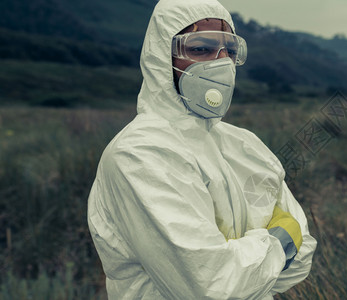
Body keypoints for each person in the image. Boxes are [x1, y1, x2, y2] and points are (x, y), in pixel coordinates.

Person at [87, 0, 317, 298]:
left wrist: (243, 260)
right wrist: (281, 238)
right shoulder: (138, 154)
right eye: (200, 49)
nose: (220, 63)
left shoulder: (244, 145)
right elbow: (211, 287)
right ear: (161, 57)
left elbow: (303, 259)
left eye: (230, 51)